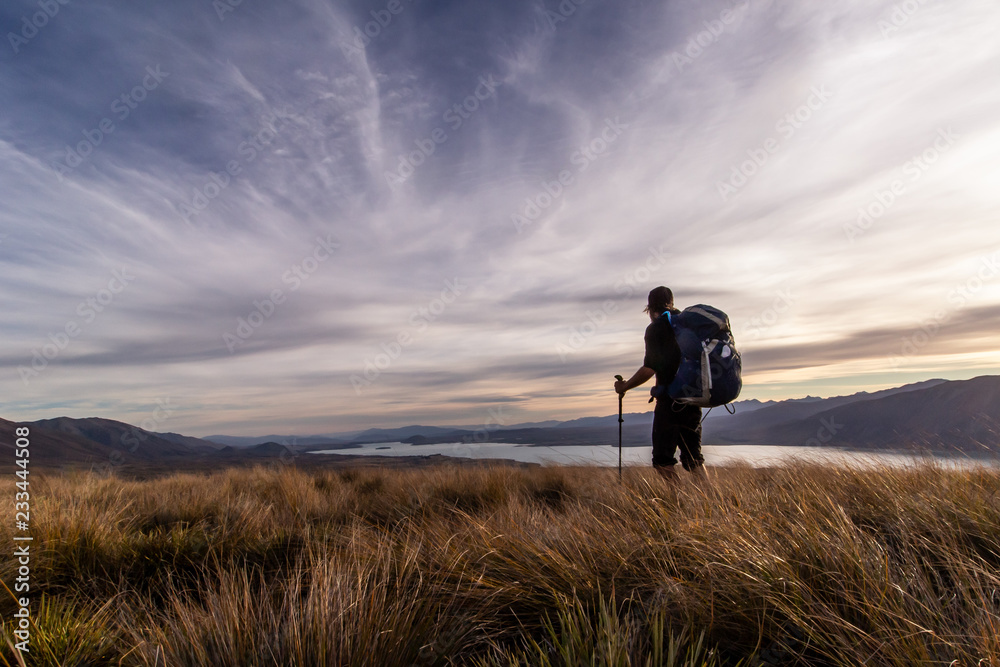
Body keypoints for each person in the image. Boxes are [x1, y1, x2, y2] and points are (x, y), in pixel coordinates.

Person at [614, 286, 704, 479]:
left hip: (670, 401)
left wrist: (625, 386)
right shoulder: (687, 324)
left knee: (662, 461)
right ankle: (711, 501)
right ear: (671, 302)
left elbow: (649, 368)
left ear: (649, 307)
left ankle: (677, 503)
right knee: (694, 458)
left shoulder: (657, 328)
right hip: (693, 398)